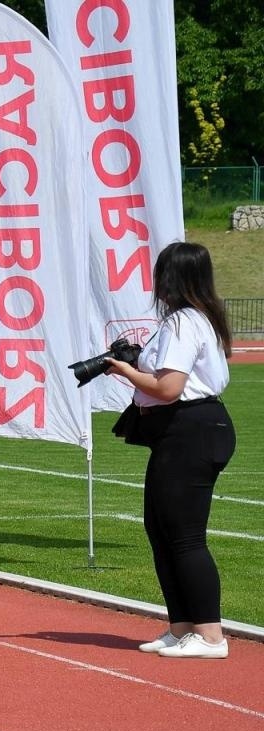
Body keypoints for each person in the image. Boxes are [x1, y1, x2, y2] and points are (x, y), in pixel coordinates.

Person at [105, 241, 236, 659]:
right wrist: (137, 360)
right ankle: (182, 626)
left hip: (190, 428)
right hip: (189, 429)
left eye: (161, 273)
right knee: (160, 530)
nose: (156, 282)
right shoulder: (196, 319)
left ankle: (211, 635)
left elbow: (168, 387)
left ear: (174, 278)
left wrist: (125, 370)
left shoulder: (184, 321)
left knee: (184, 536)